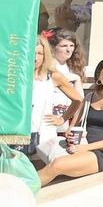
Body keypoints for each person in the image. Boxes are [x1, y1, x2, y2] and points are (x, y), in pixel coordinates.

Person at [35, 58, 103, 186]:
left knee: (57, 165)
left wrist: (85, 148)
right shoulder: (89, 97)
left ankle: (19, 191)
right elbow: (73, 127)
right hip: (81, 146)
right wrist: (69, 133)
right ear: (98, 76)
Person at [29, 34, 82, 165]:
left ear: (45, 54)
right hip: (19, 134)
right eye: (32, 52)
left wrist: (62, 119)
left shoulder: (53, 76)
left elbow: (78, 100)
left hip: (44, 135)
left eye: (40, 53)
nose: (35, 58)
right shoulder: (16, 77)